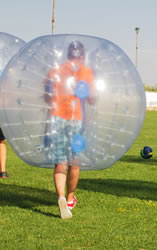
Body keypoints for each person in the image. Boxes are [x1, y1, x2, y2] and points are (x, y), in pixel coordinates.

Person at [45, 40, 95, 218]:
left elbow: (47, 96)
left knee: (60, 163)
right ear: (82, 56)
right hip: (76, 120)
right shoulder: (86, 71)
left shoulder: (55, 71)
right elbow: (91, 99)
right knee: (74, 161)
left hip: (56, 119)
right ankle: (70, 198)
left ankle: (60, 196)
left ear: (67, 55)